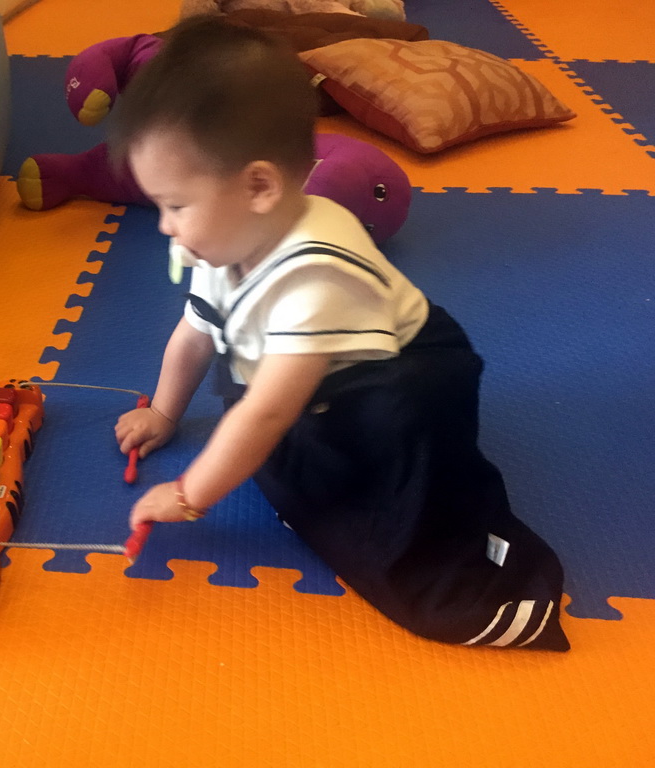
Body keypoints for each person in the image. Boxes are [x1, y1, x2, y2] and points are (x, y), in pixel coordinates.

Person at [109, 17, 569, 651]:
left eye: (176, 205)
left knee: (399, 526)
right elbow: (194, 335)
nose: (164, 226)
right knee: (265, 442)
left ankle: (493, 591)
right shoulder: (222, 241)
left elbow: (270, 409)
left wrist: (189, 496)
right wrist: (164, 412)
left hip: (405, 381)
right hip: (318, 378)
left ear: (260, 186)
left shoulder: (313, 276)